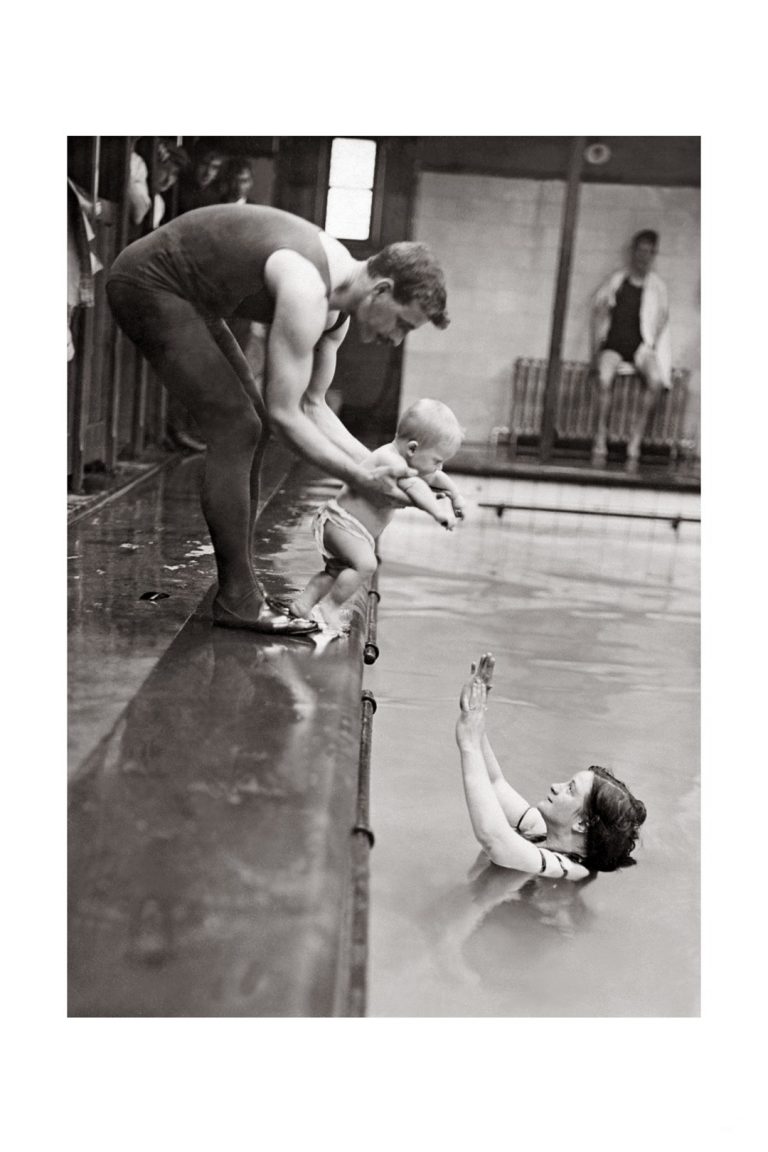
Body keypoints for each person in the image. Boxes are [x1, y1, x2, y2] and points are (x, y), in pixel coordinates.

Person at [106, 204, 450, 635]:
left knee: (252, 425)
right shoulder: (308, 287)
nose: (396, 339)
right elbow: (287, 415)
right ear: (381, 289)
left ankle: (241, 590)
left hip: (194, 299)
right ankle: (238, 599)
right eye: (402, 324)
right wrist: (364, 480)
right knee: (237, 427)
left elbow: (312, 406)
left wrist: (397, 472)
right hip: (149, 281)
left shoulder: (337, 312)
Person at [455, 654, 646, 880]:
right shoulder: (543, 831)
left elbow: (494, 839)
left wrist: (469, 744)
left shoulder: (567, 869)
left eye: (570, 789)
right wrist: (475, 715)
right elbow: (495, 784)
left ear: (583, 823)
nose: (556, 786)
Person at [289, 398, 465, 636]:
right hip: (343, 524)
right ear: (412, 448)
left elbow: (435, 480)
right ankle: (329, 607)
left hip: (347, 528)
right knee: (366, 564)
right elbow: (418, 488)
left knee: (334, 573)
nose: (439, 468)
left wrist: (456, 497)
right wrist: (437, 512)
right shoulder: (391, 460)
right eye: (437, 461)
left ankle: (302, 605)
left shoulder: (409, 460)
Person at [591, 229, 672, 471]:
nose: (643, 256)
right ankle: (600, 435)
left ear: (653, 255)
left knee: (656, 381)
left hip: (640, 345)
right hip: (614, 344)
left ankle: (635, 438)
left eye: (649, 252)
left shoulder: (657, 286)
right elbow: (599, 310)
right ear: (633, 252)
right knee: (603, 379)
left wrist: (653, 346)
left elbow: (662, 319)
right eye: (640, 250)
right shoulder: (617, 280)